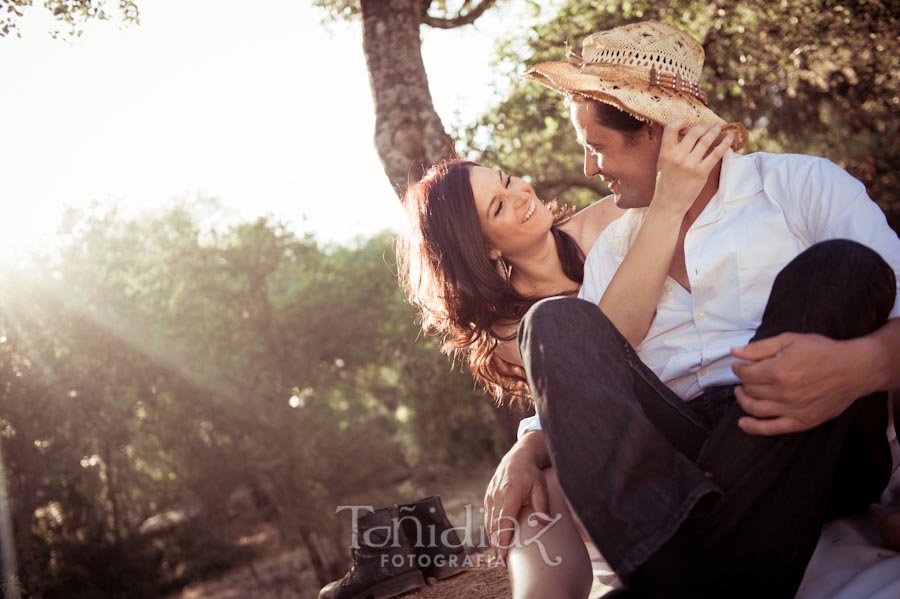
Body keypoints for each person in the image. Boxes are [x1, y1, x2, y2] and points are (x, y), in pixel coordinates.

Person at [486, 19, 900, 598]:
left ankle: (681, 576)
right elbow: (602, 364)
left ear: (657, 134)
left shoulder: (799, 186)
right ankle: (699, 574)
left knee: (843, 269)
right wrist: (528, 444)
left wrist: (861, 366)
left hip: (818, 433)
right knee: (552, 323)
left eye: (596, 146)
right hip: (688, 470)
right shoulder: (614, 248)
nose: (588, 168)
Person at [396, 120, 732, 598]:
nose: (521, 196)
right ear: (485, 247)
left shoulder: (604, 225)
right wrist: (528, 451)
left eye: (507, 181)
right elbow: (582, 407)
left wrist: (528, 446)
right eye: (499, 206)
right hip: (616, 445)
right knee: (536, 497)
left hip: (684, 405)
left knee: (540, 473)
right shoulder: (511, 328)